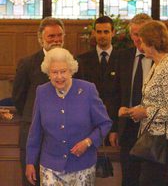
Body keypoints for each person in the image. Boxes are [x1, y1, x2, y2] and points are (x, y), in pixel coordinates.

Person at [25, 47, 112, 186]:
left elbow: (105, 123)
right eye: (54, 72)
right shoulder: (42, 92)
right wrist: (30, 162)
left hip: (82, 165)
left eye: (63, 71)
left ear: (71, 71)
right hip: (50, 166)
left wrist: (88, 142)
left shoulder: (88, 90)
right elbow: (35, 131)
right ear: (48, 73)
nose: (59, 77)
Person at [126, 20, 168, 186]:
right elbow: (154, 99)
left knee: (150, 180)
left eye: (142, 42)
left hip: (167, 135)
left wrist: (145, 112)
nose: (140, 47)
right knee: (164, 178)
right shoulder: (157, 64)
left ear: (151, 43)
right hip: (156, 133)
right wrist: (136, 110)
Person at [12, 17, 65, 186]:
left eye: (59, 35)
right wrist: (32, 116)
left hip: (62, 136)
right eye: (51, 36)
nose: (56, 40)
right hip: (32, 134)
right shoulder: (27, 64)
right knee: (31, 181)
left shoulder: (73, 63)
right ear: (41, 38)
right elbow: (19, 97)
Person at [109, 13, 153, 186]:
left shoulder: (165, 59)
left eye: (141, 33)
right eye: (134, 34)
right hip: (127, 128)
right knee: (129, 177)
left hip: (153, 128)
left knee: (152, 177)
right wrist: (113, 128)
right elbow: (115, 95)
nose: (138, 38)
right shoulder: (123, 57)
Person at [75, 16, 120, 145]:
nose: (102, 36)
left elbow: (122, 95)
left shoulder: (122, 59)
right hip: (89, 124)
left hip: (114, 121)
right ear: (93, 33)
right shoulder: (82, 60)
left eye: (106, 32)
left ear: (113, 32)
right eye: (99, 32)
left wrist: (115, 128)